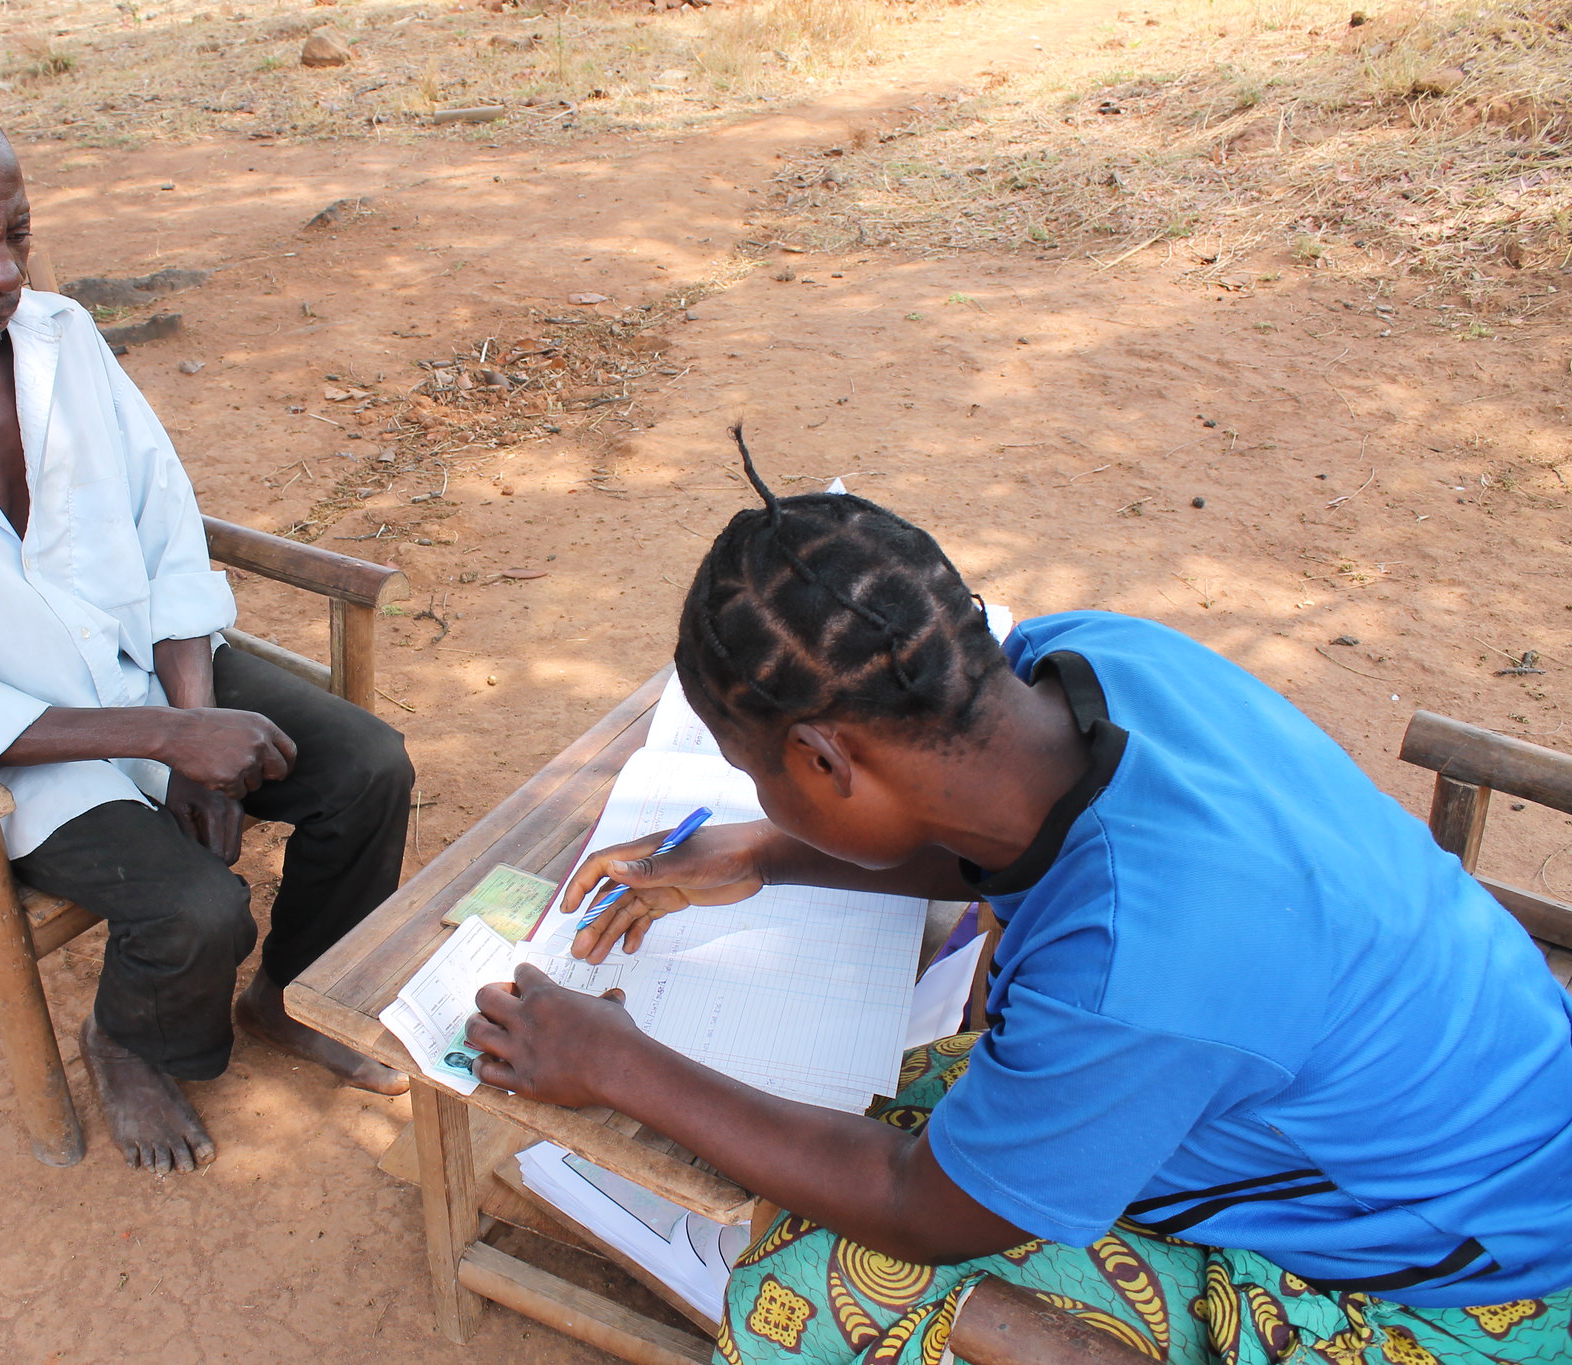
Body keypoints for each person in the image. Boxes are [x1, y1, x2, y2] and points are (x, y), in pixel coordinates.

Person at [464, 432, 1572, 1364]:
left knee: (824, 1282)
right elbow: (1000, 840)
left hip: (1472, 1273)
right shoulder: (1097, 662)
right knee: (864, 1105)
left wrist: (621, 1064)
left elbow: (924, 1209)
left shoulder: (1132, 977)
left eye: (752, 773)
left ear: (821, 758)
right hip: (1480, 1092)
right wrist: (767, 848)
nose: (754, 797)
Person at [0, 70, 413, 1173]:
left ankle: (290, 998)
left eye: (14, 231)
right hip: (15, 749)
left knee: (367, 766)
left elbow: (163, 534)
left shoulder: (60, 338)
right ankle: (126, 1041)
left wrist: (190, 724)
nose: (1, 273)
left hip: (150, 666)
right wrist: (162, 740)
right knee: (197, 913)